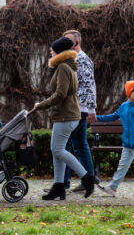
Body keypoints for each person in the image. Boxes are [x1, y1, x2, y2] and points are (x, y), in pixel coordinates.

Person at [33, 37, 95, 200]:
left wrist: (41, 105)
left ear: (59, 51)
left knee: (58, 150)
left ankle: (87, 178)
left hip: (66, 115)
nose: (50, 52)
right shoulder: (68, 66)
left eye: (52, 49)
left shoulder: (62, 67)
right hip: (67, 114)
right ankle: (59, 186)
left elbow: (60, 94)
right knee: (57, 150)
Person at [61, 30, 97, 193]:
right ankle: (86, 180)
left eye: (68, 41)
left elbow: (89, 85)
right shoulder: (72, 59)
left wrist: (91, 109)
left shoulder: (82, 60)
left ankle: (64, 182)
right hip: (75, 107)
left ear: (77, 43)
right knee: (78, 144)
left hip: (78, 108)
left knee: (67, 144)